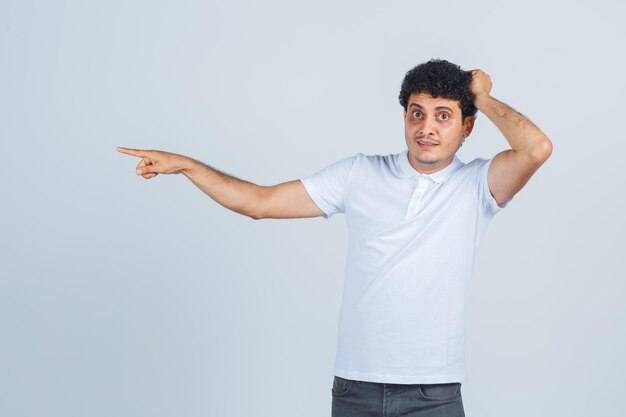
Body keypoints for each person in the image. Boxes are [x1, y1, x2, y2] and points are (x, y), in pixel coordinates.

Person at [117, 58, 553, 417]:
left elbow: (536, 148)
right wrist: (187, 166)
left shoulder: (478, 184)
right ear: (404, 117)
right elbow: (259, 203)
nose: (427, 127)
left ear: (467, 126)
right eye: (417, 113)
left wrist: (481, 96)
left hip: (432, 392)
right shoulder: (359, 174)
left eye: (444, 116)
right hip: (354, 389)